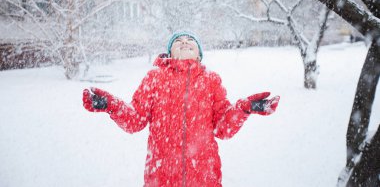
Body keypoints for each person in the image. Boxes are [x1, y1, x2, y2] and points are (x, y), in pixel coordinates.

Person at [82, 31, 280, 187]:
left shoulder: (211, 80)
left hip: (203, 177)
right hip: (161, 176)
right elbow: (135, 120)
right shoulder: (155, 78)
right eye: (178, 40)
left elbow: (223, 127)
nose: (184, 42)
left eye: (190, 40)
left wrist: (244, 109)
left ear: (199, 54)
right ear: (170, 52)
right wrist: (110, 105)